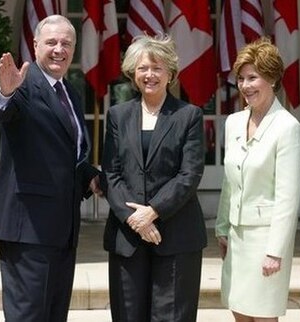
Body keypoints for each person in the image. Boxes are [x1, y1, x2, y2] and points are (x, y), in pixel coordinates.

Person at [0, 15, 101, 322]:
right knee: (29, 316)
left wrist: (93, 178)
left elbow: (66, 156)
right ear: (35, 45)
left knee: (53, 315)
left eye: (66, 43)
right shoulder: (22, 83)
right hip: (28, 230)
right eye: (51, 42)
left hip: (63, 229)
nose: (59, 49)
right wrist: (5, 93)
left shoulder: (69, 92)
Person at [101, 34, 207, 322]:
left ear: (170, 73)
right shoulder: (117, 115)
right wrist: (134, 218)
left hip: (177, 235)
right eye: (143, 68)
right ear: (133, 73)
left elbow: (190, 173)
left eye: (157, 68)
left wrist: (153, 211)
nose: (150, 75)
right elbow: (110, 173)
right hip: (127, 237)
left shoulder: (189, 115)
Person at [215, 37, 300, 322]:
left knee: (263, 316)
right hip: (237, 239)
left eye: (253, 78)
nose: (245, 86)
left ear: (272, 79)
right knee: (239, 311)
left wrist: (275, 252)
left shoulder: (287, 127)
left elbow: (288, 197)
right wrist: (222, 227)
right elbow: (230, 181)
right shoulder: (232, 122)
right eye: (241, 78)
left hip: (266, 240)